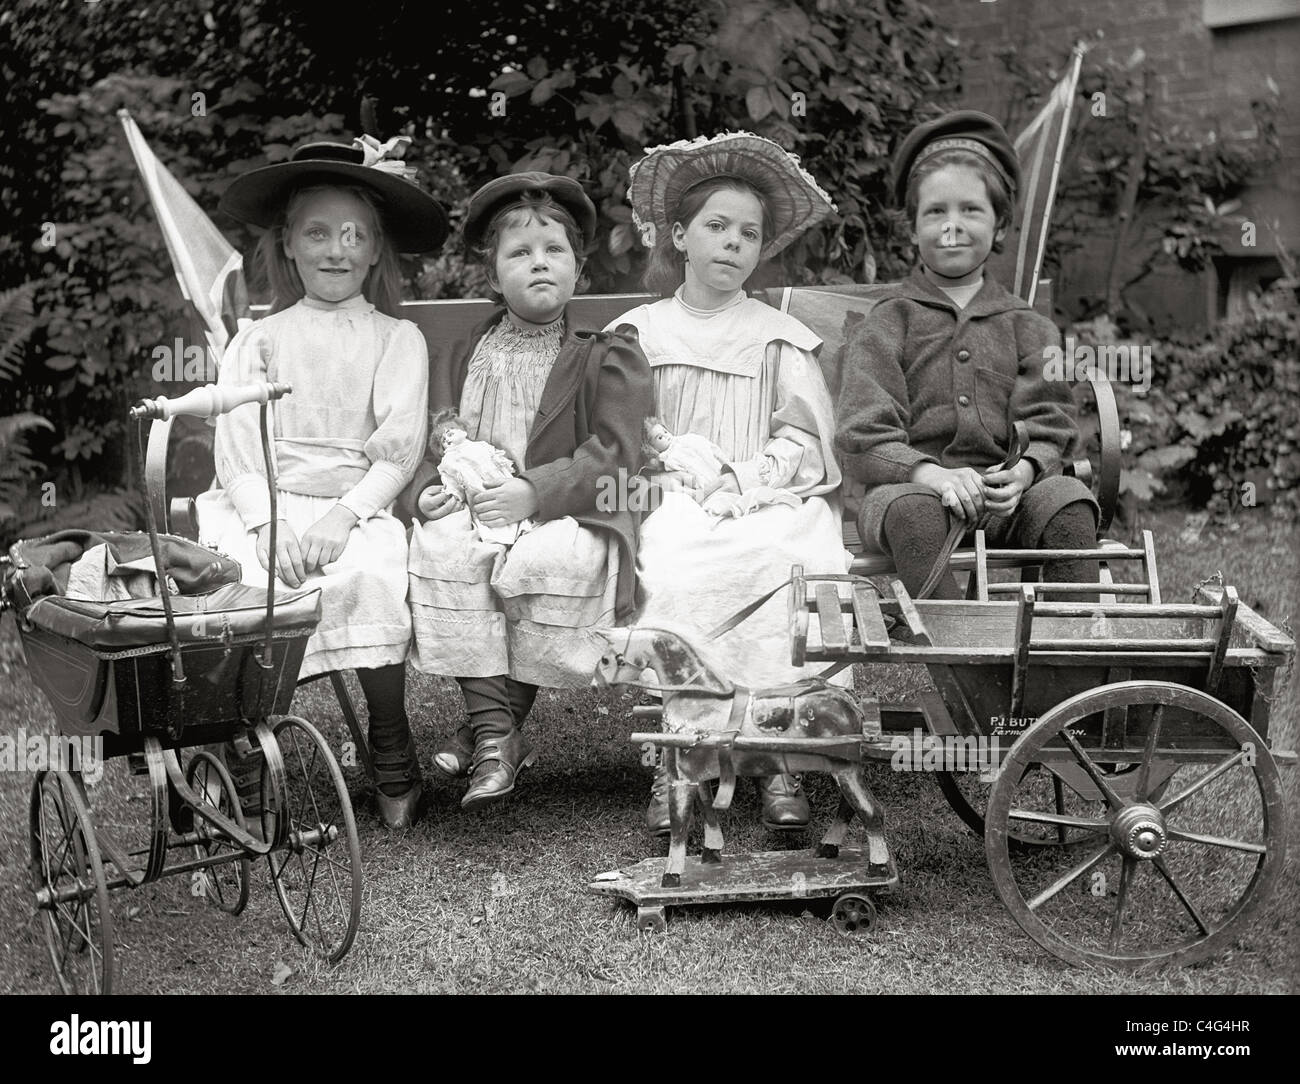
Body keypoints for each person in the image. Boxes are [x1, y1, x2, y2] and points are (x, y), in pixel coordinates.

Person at [200, 135, 447, 829]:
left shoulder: (395, 340)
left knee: (370, 574)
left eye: (353, 235)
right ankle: (246, 746)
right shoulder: (259, 340)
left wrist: (343, 518)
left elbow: (397, 454)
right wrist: (265, 524)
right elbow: (238, 448)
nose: (336, 250)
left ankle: (391, 737)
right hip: (265, 505)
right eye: (318, 234)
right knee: (247, 586)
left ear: (375, 250)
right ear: (287, 245)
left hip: (352, 506)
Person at [612, 132, 846, 835]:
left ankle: (781, 755)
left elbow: (804, 439)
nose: (732, 244)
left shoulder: (779, 336)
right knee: (679, 563)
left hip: (766, 493)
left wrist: (745, 478)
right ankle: (682, 753)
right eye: (715, 227)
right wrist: (676, 469)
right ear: (679, 235)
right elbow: (621, 433)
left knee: (792, 561)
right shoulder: (639, 331)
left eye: (748, 234)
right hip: (674, 495)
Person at [400, 172, 652, 811]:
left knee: (542, 561)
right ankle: (497, 737)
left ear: (578, 271)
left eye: (555, 251)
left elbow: (617, 453)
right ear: (493, 276)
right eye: (519, 253)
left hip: (562, 510)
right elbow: (440, 437)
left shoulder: (606, 354)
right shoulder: (466, 352)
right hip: (478, 504)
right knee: (444, 547)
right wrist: (432, 489)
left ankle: (488, 734)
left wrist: (535, 493)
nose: (539, 263)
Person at [834, 112, 1098, 600]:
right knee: (914, 512)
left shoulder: (1029, 325)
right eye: (935, 212)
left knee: (1066, 501)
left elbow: (1053, 425)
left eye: (971, 211)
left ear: (999, 227)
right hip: (908, 497)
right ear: (912, 228)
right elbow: (862, 436)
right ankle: (971, 662)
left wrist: (1026, 471)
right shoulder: (888, 322)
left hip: (1007, 500)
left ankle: (1073, 658)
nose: (951, 227)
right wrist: (928, 474)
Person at [427, 408, 536, 545]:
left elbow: (496, 457)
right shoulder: (449, 460)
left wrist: (505, 466)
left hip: (501, 482)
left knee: (510, 504)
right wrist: (454, 495)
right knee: (489, 514)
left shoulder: (480, 445)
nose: (447, 436)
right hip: (477, 491)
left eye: (450, 431)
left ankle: (521, 529)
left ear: (464, 431)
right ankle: (498, 539)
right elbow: (451, 481)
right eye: (443, 439)